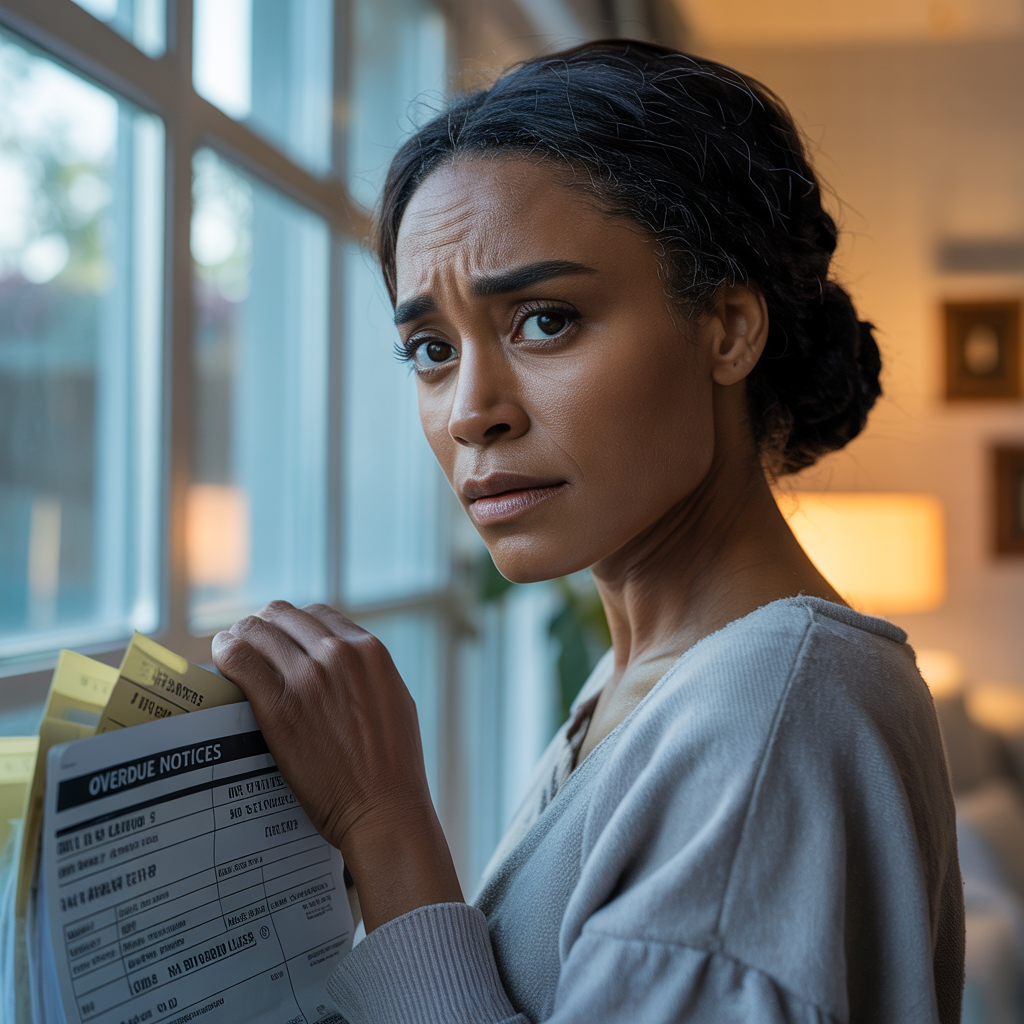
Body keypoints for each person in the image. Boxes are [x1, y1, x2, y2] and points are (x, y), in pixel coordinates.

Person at [212, 40, 964, 1023]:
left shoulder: (762, 722)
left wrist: (383, 824)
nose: (471, 410)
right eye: (431, 349)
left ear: (728, 328)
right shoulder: (642, 679)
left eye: (545, 321)